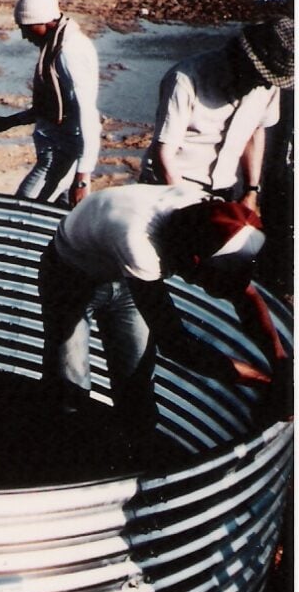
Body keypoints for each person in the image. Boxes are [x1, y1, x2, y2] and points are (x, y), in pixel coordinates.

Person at [38, 184, 290, 440]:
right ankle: (63, 453)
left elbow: (245, 296)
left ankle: (134, 458)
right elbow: (174, 343)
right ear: (194, 260)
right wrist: (266, 383)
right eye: (217, 278)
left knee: (138, 382)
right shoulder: (139, 242)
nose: (223, 289)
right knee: (70, 383)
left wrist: (281, 366)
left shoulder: (210, 218)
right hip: (69, 277)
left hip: (121, 272)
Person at [139, 17, 294, 212]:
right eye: (261, 77)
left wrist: (251, 190)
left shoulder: (267, 84)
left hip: (225, 188)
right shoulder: (185, 78)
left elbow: (255, 132)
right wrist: (188, 208)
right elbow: (164, 153)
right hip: (172, 184)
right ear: (246, 58)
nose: (264, 84)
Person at [0, 0, 100, 207]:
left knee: (21, 214)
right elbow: (49, 108)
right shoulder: (56, 46)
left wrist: (82, 178)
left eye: (26, 28)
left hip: (60, 157)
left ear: (43, 21)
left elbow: (88, 116)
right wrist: (8, 122)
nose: (25, 36)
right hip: (56, 152)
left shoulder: (68, 52)